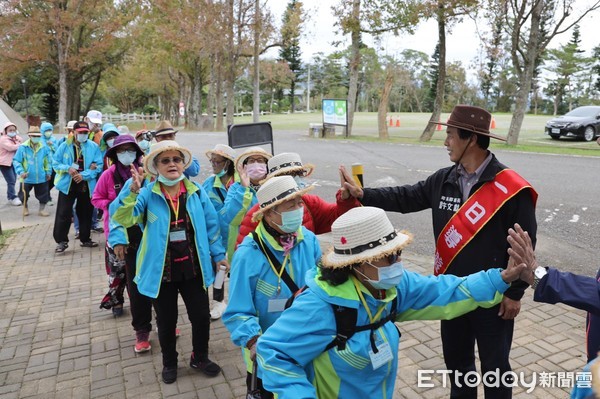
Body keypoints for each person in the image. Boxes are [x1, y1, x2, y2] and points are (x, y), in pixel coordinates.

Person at [341, 104, 538, 398]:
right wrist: (364, 194)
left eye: (450, 135)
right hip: (450, 293)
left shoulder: (511, 189)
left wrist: (515, 293)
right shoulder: (443, 179)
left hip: (494, 297)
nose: (445, 142)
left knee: (495, 369)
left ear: (470, 138)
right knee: (459, 368)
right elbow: (406, 196)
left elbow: (525, 247)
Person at [256, 206, 528, 399]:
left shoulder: (391, 287)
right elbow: (273, 352)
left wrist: (499, 279)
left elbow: (445, 290)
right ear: (358, 263)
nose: (398, 263)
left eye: (398, 252)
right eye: (389, 256)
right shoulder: (320, 306)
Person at [112, 140, 228, 384]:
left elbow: (212, 226)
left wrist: (218, 255)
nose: (172, 164)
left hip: (194, 268)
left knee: (200, 316)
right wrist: (131, 191)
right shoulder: (146, 193)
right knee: (166, 321)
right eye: (165, 160)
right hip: (161, 270)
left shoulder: (197, 192)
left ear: (183, 164)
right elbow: (122, 217)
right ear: (156, 167)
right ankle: (169, 362)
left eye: (176, 159)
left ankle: (200, 357)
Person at [223, 175, 321, 399]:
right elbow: (238, 311)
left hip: (309, 346)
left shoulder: (309, 240)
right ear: (269, 213)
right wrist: (254, 342)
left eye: (299, 203)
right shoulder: (247, 255)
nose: (299, 210)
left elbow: (321, 287)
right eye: (290, 205)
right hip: (269, 355)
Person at [235, 152, 360, 248]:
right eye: (289, 175)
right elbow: (244, 258)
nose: (295, 179)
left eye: (299, 174)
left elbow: (337, 217)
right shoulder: (258, 214)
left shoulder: (310, 203)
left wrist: (346, 200)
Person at [92, 135, 144, 317]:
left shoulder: (143, 174)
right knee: (118, 271)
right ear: (115, 154)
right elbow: (96, 198)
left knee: (138, 271)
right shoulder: (108, 175)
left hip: (140, 230)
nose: (127, 154)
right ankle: (117, 300)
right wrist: (112, 204)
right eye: (122, 150)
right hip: (115, 229)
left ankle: (139, 303)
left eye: (130, 150)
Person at [52, 121, 102, 253]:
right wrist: (67, 168)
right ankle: (61, 241)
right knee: (64, 212)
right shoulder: (64, 146)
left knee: (85, 211)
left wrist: (84, 175)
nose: (83, 135)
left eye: (86, 132)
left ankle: (85, 239)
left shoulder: (93, 147)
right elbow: (55, 163)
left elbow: (98, 165)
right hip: (67, 184)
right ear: (73, 132)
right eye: (80, 132)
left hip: (86, 184)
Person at [202, 144, 238, 320]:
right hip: (218, 237)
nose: (213, 164)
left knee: (240, 270)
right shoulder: (208, 184)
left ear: (229, 163)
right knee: (220, 269)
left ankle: (241, 302)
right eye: (212, 161)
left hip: (238, 237)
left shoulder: (241, 182)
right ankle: (218, 301)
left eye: (217, 161)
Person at [222, 146, 272, 259]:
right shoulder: (235, 188)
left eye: (260, 160)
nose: (256, 164)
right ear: (245, 166)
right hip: (242, 246)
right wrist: (243, 188)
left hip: (269, 246)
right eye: (251, 161)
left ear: (267, 165)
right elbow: (230, 218)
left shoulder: (273, 186)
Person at [12, 126, 52, 216]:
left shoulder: (44, 147)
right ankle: (25, 208)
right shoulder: (23, 147)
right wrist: (21, 172)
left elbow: (48, 161)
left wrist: (48, 172)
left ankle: (41, 210)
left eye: (38, 136)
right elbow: (16, 160)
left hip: (41, 176)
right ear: (29, 136)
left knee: (43, 194)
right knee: (23, 194)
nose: (36, 138)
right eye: (34, 136)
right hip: (26, 177)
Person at [0, 121, 23, 205]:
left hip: (13, 162)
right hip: (4, 163)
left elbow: (20, 139)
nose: (12, 132)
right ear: (6, 131)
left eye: (14, 130)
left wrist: (18, 141)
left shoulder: (14, 139)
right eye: (10, 130)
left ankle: (11, 196)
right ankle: (12, 197)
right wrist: (20, 145)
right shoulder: (3, 139)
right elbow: (10, 148)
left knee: (13, 180)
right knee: (11, 180)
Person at [40, 122, 58, 206]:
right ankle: (47, 197)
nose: (49, 132)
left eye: (50, 130)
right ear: (42, 131)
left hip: (54, 165)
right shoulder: (40, 140)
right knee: (46, 182)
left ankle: (46, 194)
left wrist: (53, 145)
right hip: (44, 165)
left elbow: (58, 150)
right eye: (47, 130)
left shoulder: (53, 139)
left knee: (54, 181)